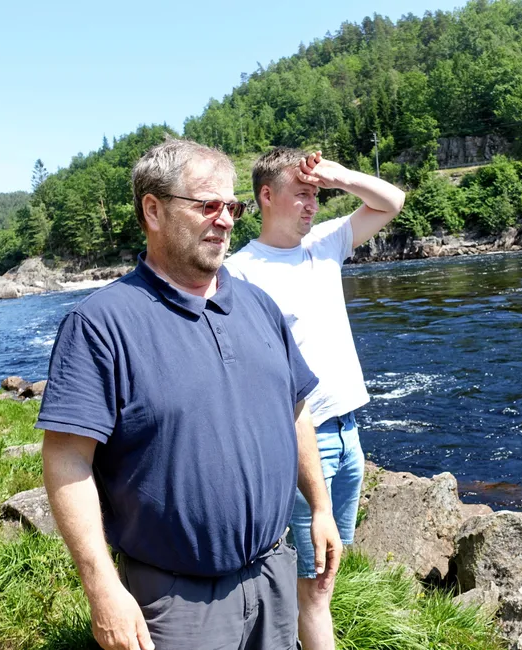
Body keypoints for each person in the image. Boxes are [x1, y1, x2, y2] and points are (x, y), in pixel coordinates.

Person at [38, 138, 342, 650]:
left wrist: (319, 506)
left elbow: (295, 412)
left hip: (273, 571)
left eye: (232, 207)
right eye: (207, 205)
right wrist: (101, 587)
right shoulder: (99, 325)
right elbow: (67, 460)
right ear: (153, 210)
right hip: (175, 600)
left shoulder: (259, 306)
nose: (224, 220)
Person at [225, 148, 405, 649]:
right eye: (301, 194)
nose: (312, 205)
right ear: (266, 196)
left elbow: (392, 200)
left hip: (349, 432)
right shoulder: (241, 273)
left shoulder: (324, 244)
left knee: (327, 569)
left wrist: (338, 177)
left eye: (315, 196)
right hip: (304, 441)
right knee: (315, 584)